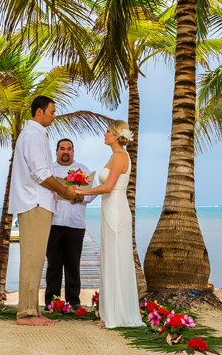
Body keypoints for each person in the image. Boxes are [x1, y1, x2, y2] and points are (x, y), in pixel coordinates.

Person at [9, 96, 75, 326]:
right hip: (35, 203)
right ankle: (26, 314)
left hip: (39, 203)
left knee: (36, 260)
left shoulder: (36, 135)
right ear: (39, 112)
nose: (55, 116)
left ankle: (33, 311)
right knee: (31, 259)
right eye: (52, 112)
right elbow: (41, 174)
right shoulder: (34, 136)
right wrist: (65, 192)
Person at [73, 120, 142, 328]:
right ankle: (111, 312)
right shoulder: (115, 156)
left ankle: (115, 316)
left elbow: (108, 187)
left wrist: (81, 192)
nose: (104, 134)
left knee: (116, 259)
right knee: (111, 259)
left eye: (107, 131)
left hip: (116, 209)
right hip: (111, 208)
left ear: (115, 135)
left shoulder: (120, 156)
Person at [45, 139, 95, 308]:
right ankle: (52, 303)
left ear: (73, 152)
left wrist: (83, 197)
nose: (65, 152)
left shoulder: (83, 170)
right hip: (54, 223)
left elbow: (92, 191)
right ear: (56, 151)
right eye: (62, 149)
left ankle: (73, 302)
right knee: (53, 264)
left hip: (76, 224)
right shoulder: (49, 170)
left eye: (69, 149)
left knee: (73, 265)